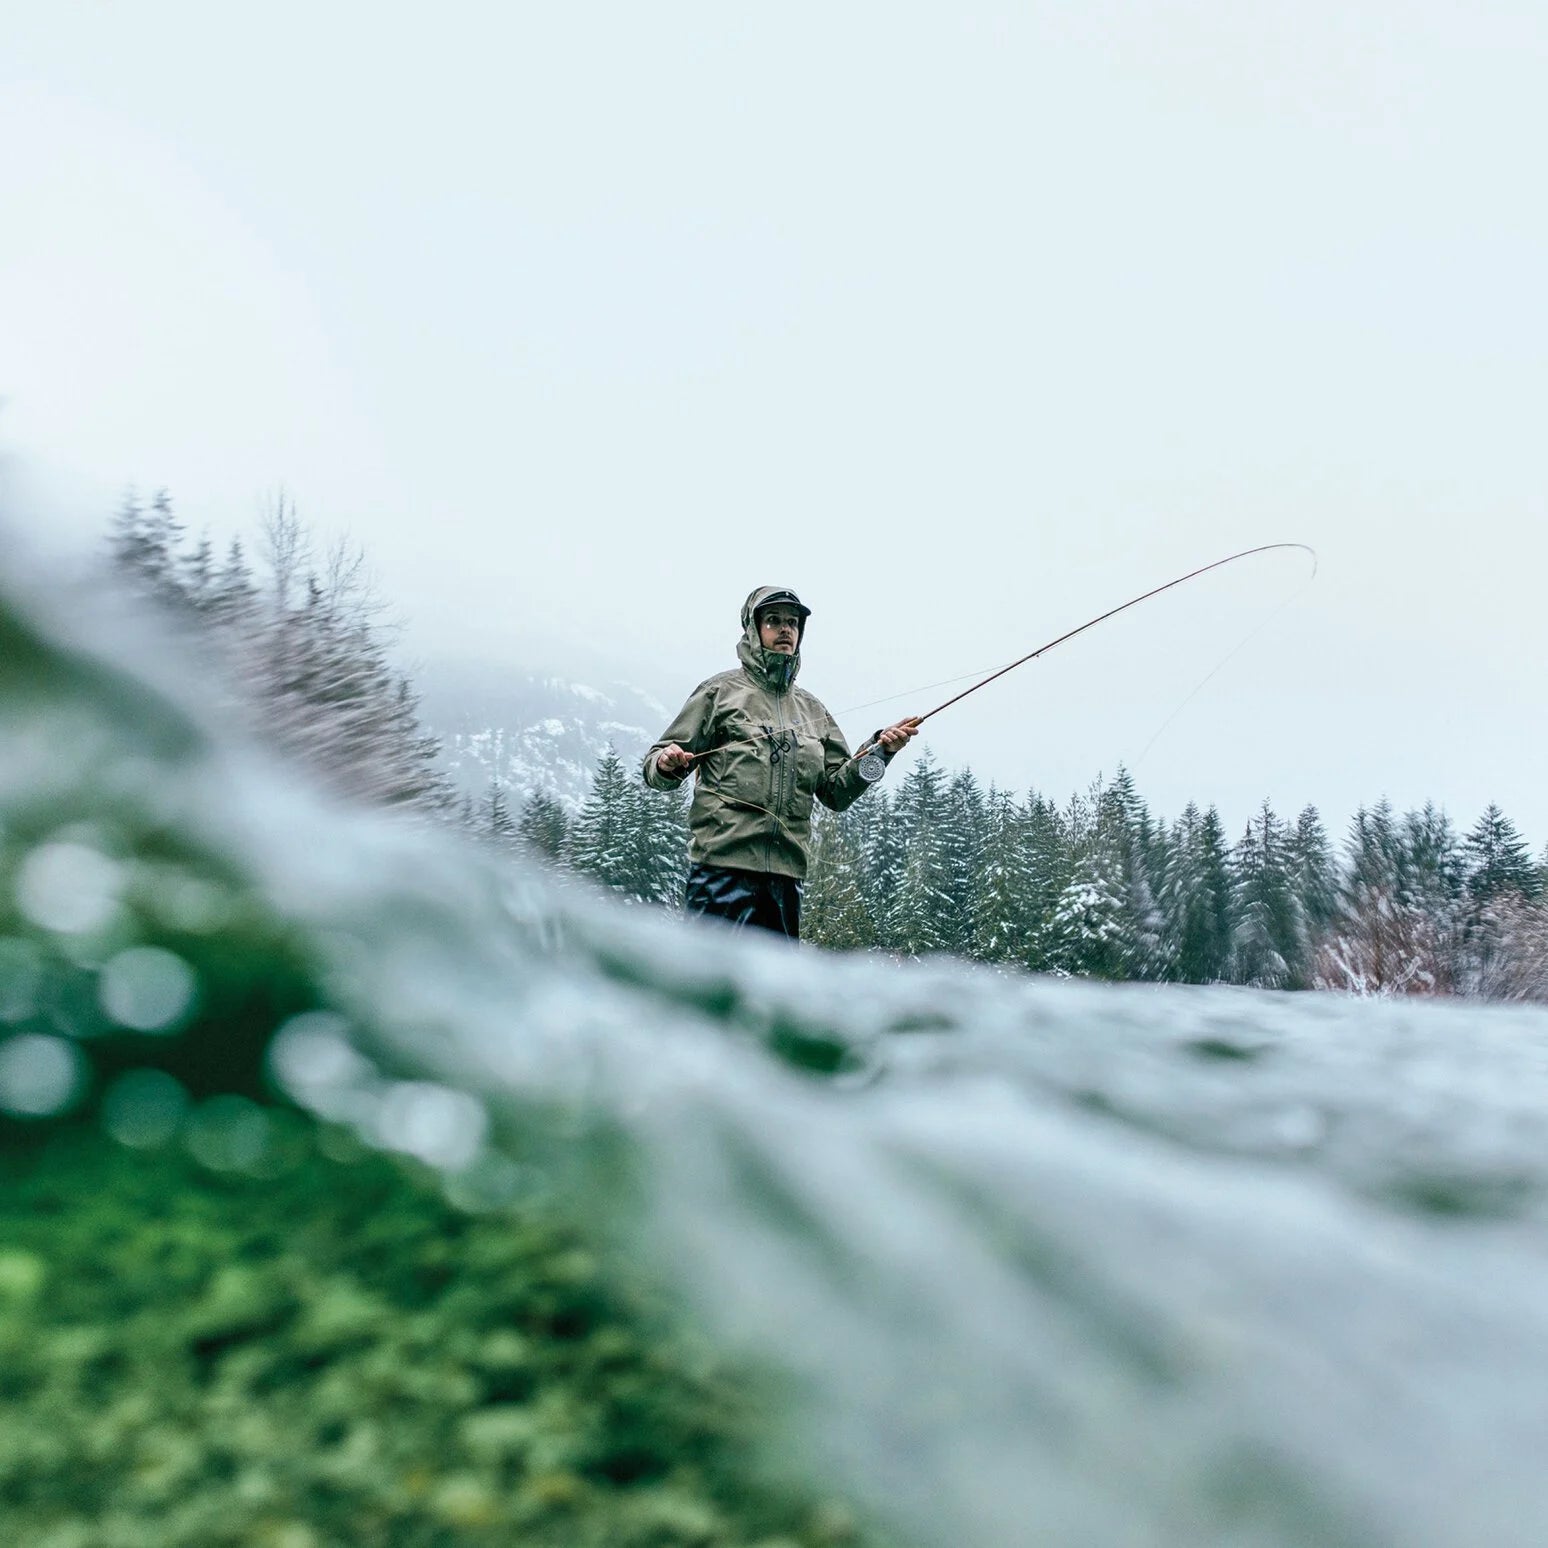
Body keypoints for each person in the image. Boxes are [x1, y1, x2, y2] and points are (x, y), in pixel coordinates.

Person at [643, 585, 918, 938]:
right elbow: (656, 765)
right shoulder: (718, 693)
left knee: (771, 992)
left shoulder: (814, 710)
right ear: (753, 630)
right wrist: (667, 764)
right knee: (706, 986)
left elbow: (837, 793)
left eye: (793, 622)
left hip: (786, 882)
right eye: (773, 621)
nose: (786, 629)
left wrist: (883, 751)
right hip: (719, 872)